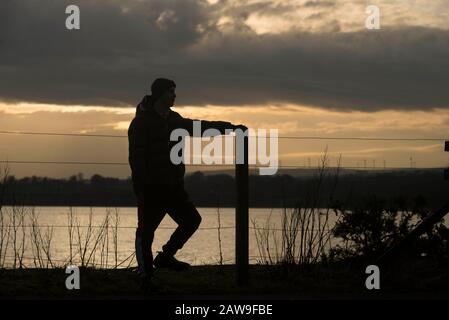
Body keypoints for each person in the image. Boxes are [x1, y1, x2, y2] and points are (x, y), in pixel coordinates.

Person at [128, 78, 245, 290]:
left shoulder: (174, 120)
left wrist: (230, 128)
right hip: (151, 189)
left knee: (192, 220)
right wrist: (144, 187)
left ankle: (165, 256)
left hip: (173, 188)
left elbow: (200, 127)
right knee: (145, 233)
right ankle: (145, 278)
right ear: (160, 94)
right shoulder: (141, 122)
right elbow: (136, 159)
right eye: (171, 91)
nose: (174, 95)